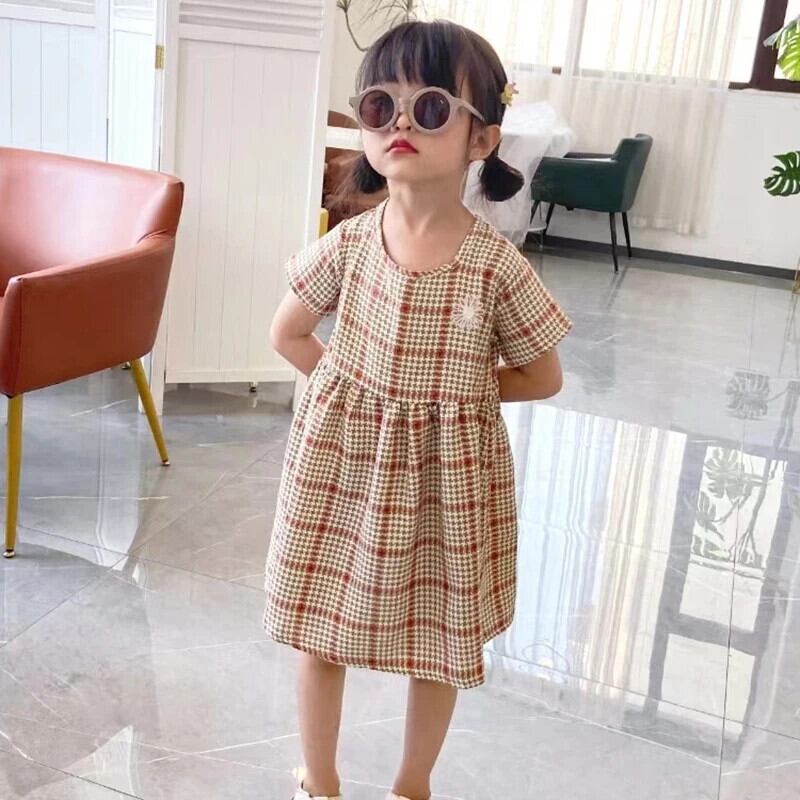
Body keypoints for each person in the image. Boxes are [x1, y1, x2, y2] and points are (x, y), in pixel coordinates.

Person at [264, 19, 573, 800]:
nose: (400, 122)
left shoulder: (496, 266)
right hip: (340, 473)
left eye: (431, 108)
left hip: (446, 486)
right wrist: (352, 395)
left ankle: (412, 785)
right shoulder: (349, 243)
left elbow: (542, 375)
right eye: (381, 106)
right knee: (318, 629)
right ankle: (320, 781)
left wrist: (454, 398)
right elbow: (288, 333)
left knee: (438, 643)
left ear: (481, 139)